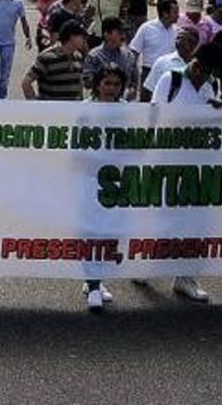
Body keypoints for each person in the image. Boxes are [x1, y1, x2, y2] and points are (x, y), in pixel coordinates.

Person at [145, 42, 222, 302]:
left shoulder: (211, 85)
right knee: (163, 217)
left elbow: (214, 126)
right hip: (167, 161)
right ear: (193, 60)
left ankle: (185, 277)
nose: (198, 72)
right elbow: (153, 117)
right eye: (197, 66)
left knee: (196, 220)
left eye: (205, 70)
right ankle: (148, 266)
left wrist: (217, 113)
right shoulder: (171, 80)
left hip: (197, 165)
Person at [83, 64, 129, 310]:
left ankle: (95, 277)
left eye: (116, 84)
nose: (111, 88)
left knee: (110, 232)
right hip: (88, 181)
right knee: (92, 231)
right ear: (97, 85)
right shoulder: (85, 110)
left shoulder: (128, 111)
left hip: (115, 182)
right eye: (107, 83)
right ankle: (93, 285)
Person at [22, 20, 87, 101]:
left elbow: (79, 88)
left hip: (74, 107)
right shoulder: (47, 57)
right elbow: (26, 83)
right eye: (82, 37)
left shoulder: (78, 57)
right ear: (72, 37)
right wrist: (36, 105)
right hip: (52, 107)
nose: (84, 40)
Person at [81, 17, 139, 100]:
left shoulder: (129, 56)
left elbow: (134, 80)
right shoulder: (94, 56)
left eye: (123, 33)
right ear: (107, 34)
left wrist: (132, 90)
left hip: (124, 103)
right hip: (100, 103)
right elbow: (87, 82)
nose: (123, 36)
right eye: (119, 33)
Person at [130, 0, 179, 93]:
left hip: (170, 74)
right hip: (149, 73)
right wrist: (132, 79)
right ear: (165, 13)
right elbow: (134, 52)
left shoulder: (177, 31)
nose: (178, 16)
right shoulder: (146, 28)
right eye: (175, 12)